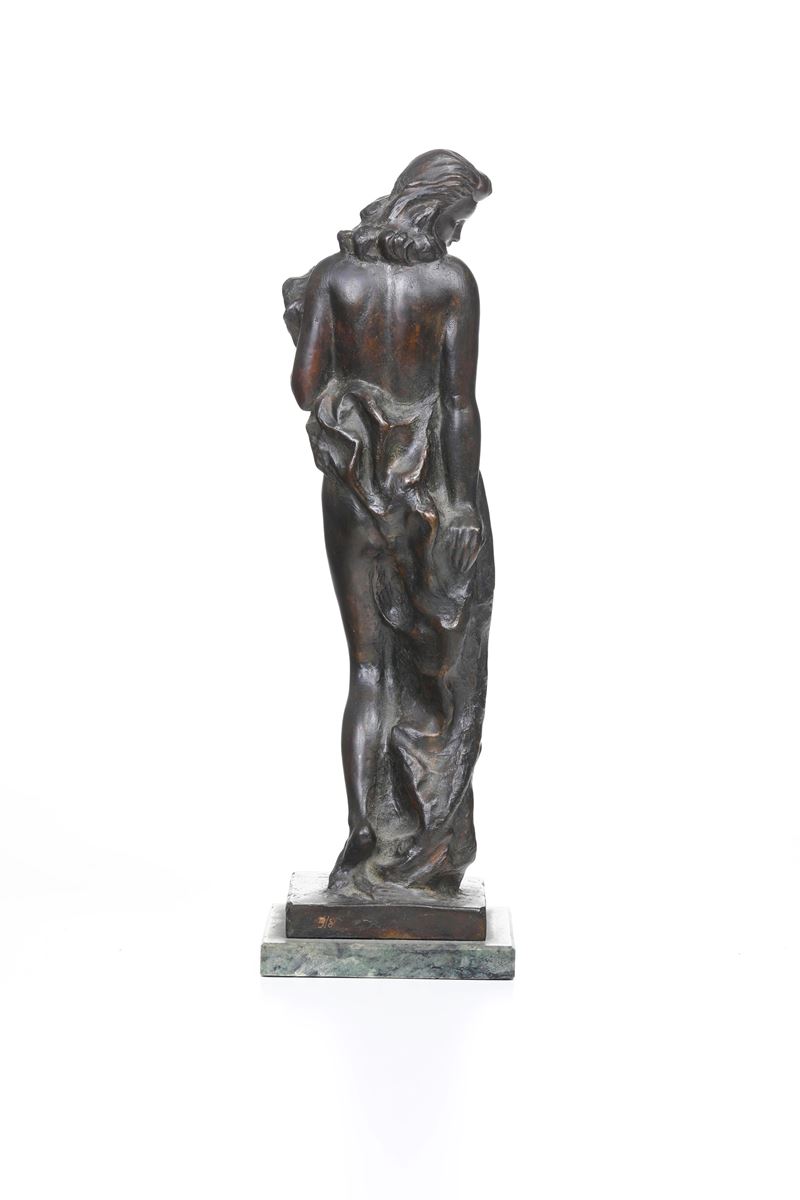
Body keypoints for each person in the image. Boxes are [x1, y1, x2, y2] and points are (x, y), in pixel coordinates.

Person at [284, 150, 494, 894]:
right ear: (431, 206)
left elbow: (307, 386)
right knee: (447, 655)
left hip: (352, 483)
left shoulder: (333, 278)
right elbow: (458, 404)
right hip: (430, 487)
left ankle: (363, 832)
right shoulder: (450, 284)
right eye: (457, 218)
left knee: (368, 669)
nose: (457, 235)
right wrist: (459, 505)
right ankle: (424, 834)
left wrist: (300, 318)